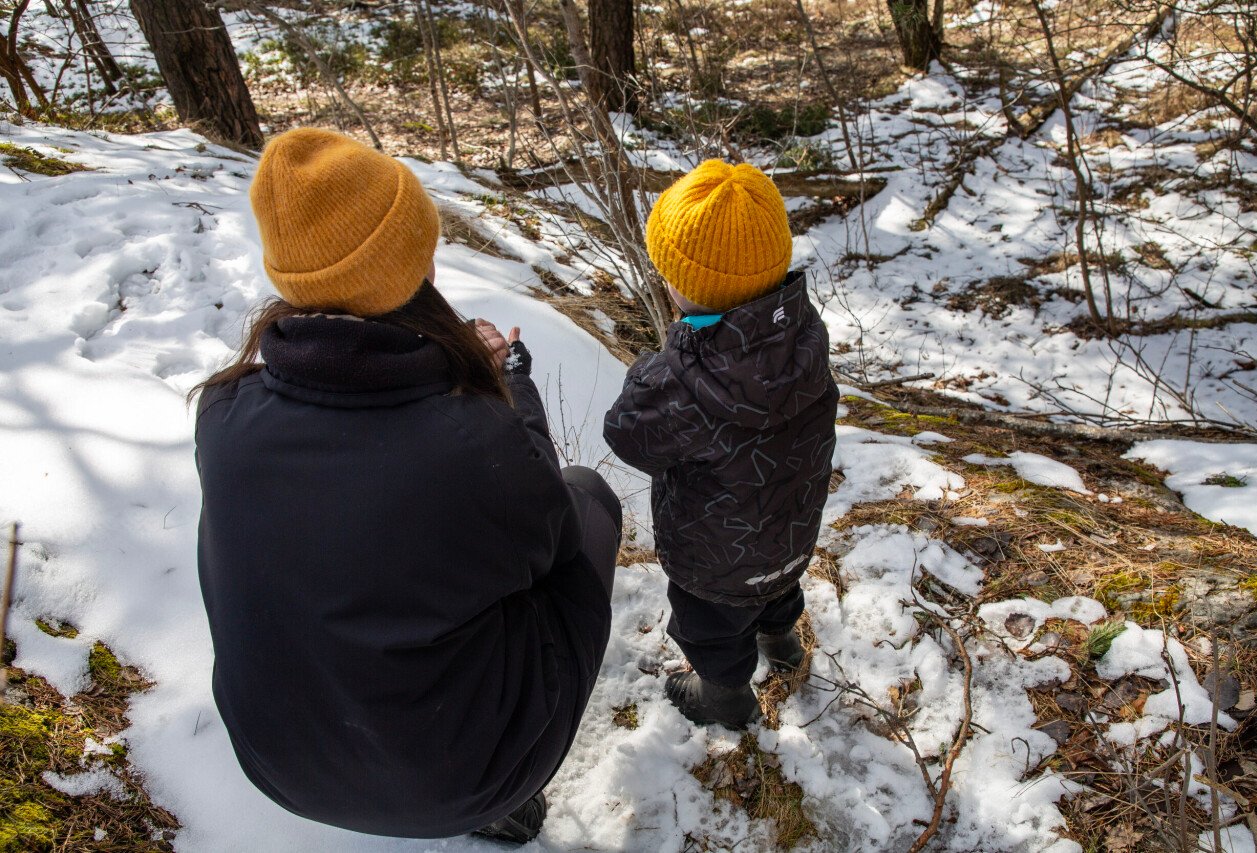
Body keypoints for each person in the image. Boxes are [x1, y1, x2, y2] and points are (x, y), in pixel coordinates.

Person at [192, 128, 621, 843]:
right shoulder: (475, 441)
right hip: (458, 777)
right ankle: (504, 800)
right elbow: (555, 540)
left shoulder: (224, 412)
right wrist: (507, 385)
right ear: (407, 264)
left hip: (276, 762)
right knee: (587, 499)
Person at [603, 159, 838, 730]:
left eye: (670, 273)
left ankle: (726, 698)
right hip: (791, 529)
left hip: (714, 559)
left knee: (713, 629)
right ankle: (783, 646)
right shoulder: (804, 332)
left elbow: (626, 435)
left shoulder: (678, 383)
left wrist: (653, 367)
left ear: (691, 287)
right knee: (778, 591)